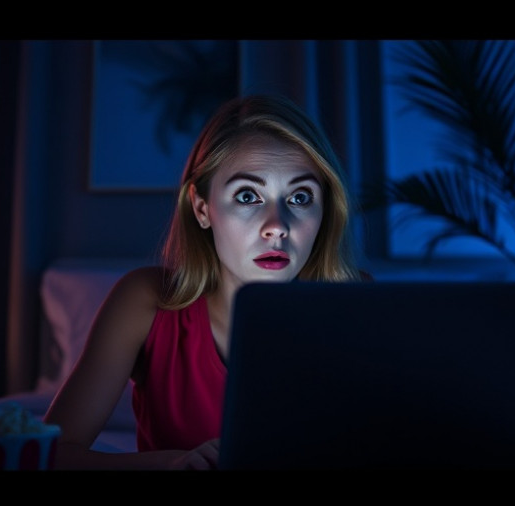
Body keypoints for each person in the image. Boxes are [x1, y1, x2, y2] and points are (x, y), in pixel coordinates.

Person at [44, 94, 364, 470]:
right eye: (248, 196)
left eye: (300, 197)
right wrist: (170, 465)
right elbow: (50, 454)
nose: (277, 226)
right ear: (201, 209)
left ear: (325, 210)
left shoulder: (356, 303)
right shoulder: (146, 302)